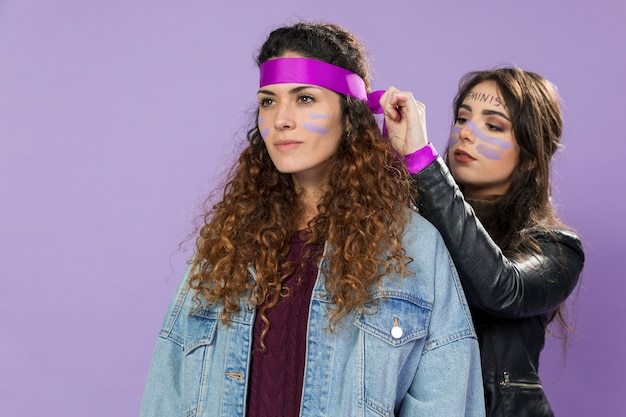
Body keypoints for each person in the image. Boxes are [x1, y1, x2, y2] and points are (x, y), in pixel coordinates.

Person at [139, 22, 486, 417]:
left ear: (349, 113)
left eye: (304, 99)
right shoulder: (227, 243)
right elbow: (167, 391)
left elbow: (446, 401)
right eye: (268, 101)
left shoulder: (412, 248)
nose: (281, 119)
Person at [381, 69, 584, 416]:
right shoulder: (410, 225)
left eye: (493, 125)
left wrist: (423, 164)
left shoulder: (558, 249)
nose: (466, 134)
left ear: (531, 155)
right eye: (462, 118)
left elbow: (502, 288)